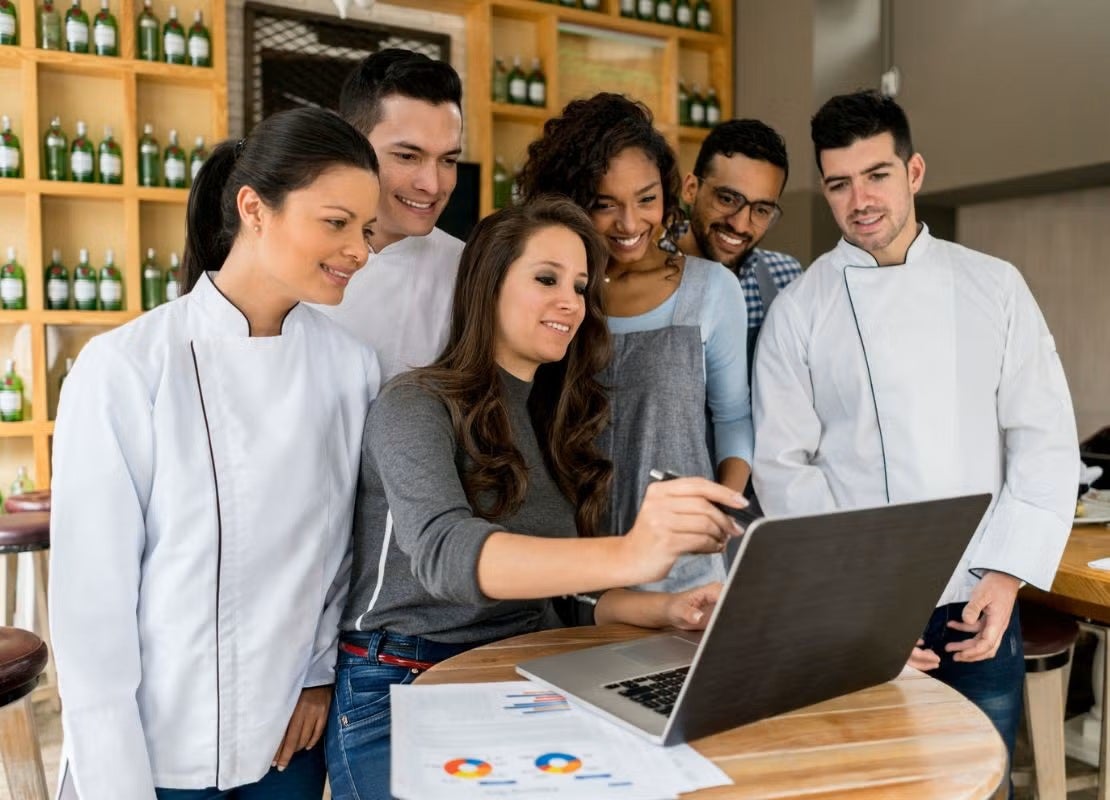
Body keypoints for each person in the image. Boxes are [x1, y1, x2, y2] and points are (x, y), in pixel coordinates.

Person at [326, 196, 745, 800]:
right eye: (546, 279)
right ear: (488, 284)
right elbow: (446, 556)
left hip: (524, 672)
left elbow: (564, 597)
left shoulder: (558, 423)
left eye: (580, 286)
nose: (571, 303)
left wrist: (667, 610)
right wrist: (631, 553)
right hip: (399, 684)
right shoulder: (413, 404)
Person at [50, 107, 381, 799]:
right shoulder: (125, 368)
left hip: (289, 742)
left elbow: (345, 552)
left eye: (366, 228)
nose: (360, 250)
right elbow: (92, 609)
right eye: (336, 222)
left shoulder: (353, 368)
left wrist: (320, 676)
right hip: (156, 745)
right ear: (254, 209)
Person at [752, 89, 1078, 766]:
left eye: (877, 175)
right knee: (868, 780)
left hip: (978, 597)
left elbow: (1042, 436)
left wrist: (1008, 576)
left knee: (982, 780)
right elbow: (784, 468)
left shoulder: (995, 286)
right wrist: (859, 611)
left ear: (914, 172)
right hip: (859, 608)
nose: (860, 200)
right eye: (839, 184)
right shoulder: (800, 310)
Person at [517, 93, 753, 592]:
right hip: (567, 566)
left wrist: (717, 517)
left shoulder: (710, 290)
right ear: (571, 201)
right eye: (605, 204)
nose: (629, 224)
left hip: (682, 572)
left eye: (646, 199)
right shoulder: (554, 296)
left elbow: (733, 418)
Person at [318, 48, 465, 381]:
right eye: (407, 156)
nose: (432, 185)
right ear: (351, 144)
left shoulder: (468, 271)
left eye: (448, 160)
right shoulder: (291, 259)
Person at [677, 118, 803, 371]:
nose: (740, 225)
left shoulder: (787, 278)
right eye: (727, 199)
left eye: (761, 209)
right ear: (691, 189)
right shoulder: (643, 273)